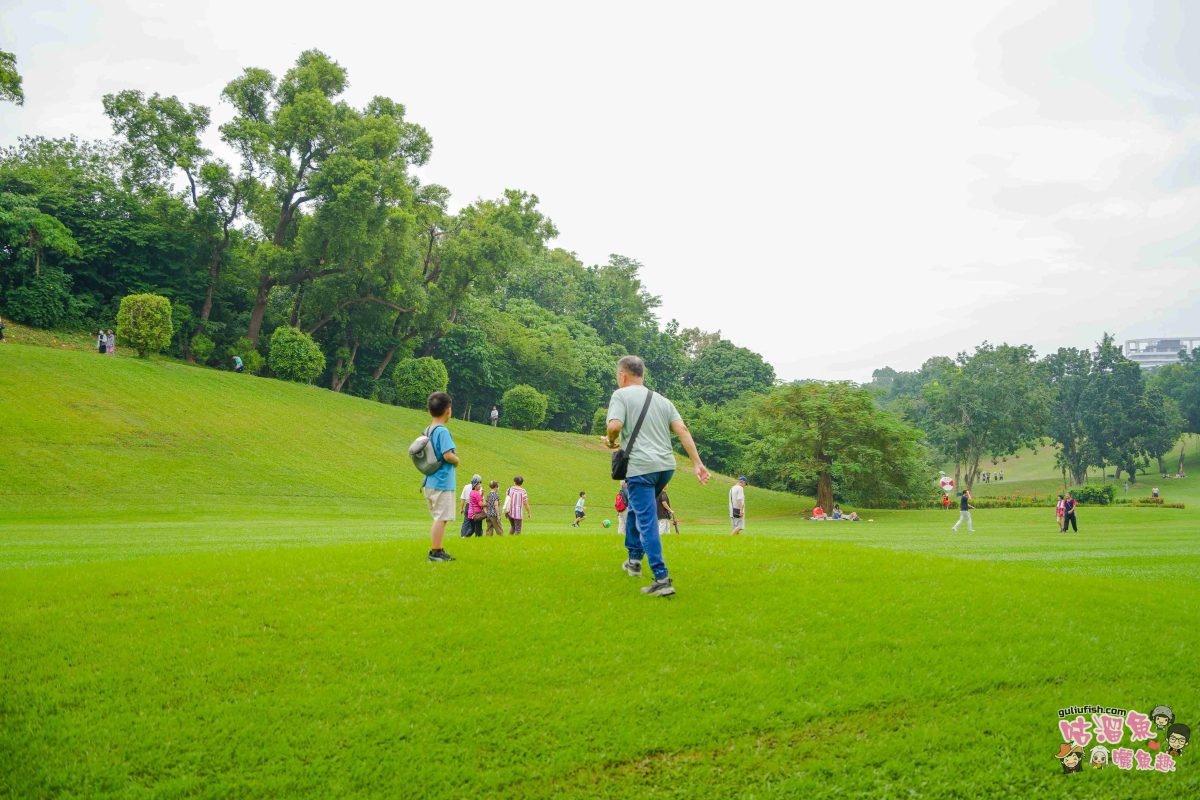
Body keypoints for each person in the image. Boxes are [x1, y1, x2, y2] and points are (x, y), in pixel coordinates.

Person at [603, 355, 710, 598]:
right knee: (637, 509)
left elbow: (615, 426)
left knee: (646, 520)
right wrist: (697, 463)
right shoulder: (662, 400)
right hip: (665, 467)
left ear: (623, 376)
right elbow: (682, 429)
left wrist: (611, 441)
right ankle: (633, 560)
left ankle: (662, 579)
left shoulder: (620, 395)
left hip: (641, 467)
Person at [421, 391, 459, 562]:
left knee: (439, 517)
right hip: (442, 481)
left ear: (429, 411)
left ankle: (438, 549)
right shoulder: (442, 431)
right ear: (448, 411)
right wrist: (457, 460)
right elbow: (447, 455)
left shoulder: (428, 430)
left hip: (430, 480)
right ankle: (436, 551)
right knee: (441, 518)